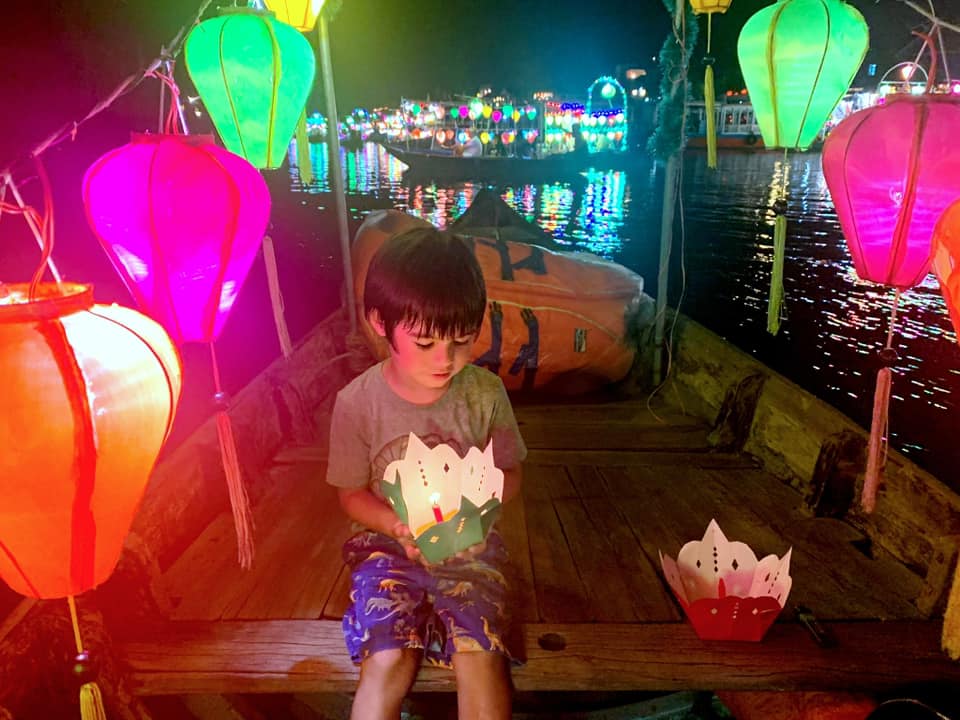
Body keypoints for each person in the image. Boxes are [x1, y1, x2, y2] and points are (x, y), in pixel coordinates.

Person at [326, 225, 526, 720]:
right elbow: (351, 494)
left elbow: (509, 471)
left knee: (481, 651)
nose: (445, 360)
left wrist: (480, 521)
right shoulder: (357, 404)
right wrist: (399, 527)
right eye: (425, 342)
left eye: (462, 341)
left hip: (468, 543)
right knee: (388, 653)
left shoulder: (484, 394)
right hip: (388, 545)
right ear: (379, 321)